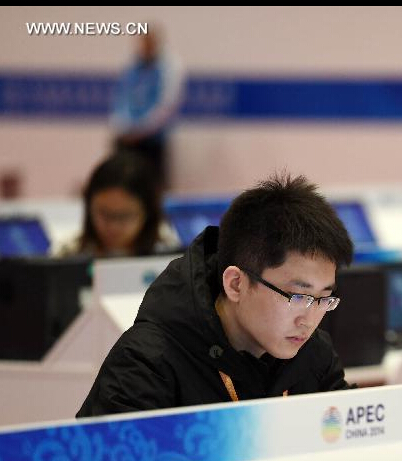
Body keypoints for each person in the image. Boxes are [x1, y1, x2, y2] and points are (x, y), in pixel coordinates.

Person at [76, 174, 355, 417]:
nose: (309, 319)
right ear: (235, 284)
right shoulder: (147, 363)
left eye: (323, 299)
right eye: (298, 296)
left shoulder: (313, 354)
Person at [58, 151, 177, 258]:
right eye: (104, 214)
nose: (113, 226)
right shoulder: (69, 256)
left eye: (124, 216)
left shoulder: (169, 260)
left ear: (147, 213)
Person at [110, 28, 184, 188]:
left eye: (149, 43)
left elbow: (167, 105)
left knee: (153, 186)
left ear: (156, 43)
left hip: (152, 141)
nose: (145, 47)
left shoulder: (168, 68)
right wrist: (123, 127)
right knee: (123, 183)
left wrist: (142, 130)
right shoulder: (132, 67)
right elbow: (121, 100)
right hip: (127, 138)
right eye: (142, 42)